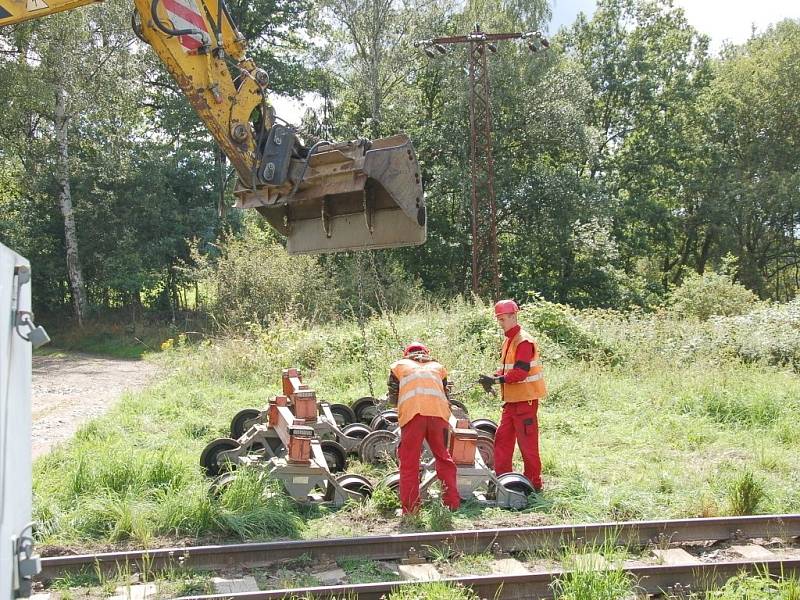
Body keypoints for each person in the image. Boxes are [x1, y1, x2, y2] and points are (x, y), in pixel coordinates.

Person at [479, 300, 546, 492]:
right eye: (498, 319)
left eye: (503, 319)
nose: (500, 323)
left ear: (513, 316)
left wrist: (497, 381)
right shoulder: (508, 340)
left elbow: (520, 373)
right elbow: (505, 371)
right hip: (511, 403)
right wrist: (491, 378)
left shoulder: (523, 341)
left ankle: (534, 484)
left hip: (525, 402)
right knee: (502, 441)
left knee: (528, 446)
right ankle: (502, 481)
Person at [388, 342, 461, 514]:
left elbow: (393, 398)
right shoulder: (438, 367)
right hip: (438, 415)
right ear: (426, 353)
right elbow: (445, 393)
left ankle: (411, 510)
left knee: (409, 462)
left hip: (413, 416)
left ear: (407, 355)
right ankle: (451, 504)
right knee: (444, 458)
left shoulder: (399, 367)